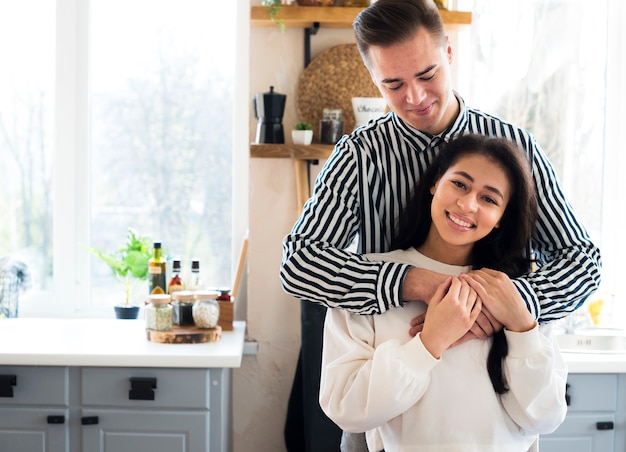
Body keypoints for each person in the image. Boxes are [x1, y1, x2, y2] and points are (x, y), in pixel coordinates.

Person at [280, 0, 601, 450]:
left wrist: (498, 305)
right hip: (385, 396)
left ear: (449, 52)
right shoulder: (358, 157)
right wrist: (422, 284)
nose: (414, 97)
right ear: (372, 76)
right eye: (393, 83)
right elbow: (298, 264)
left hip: (494, 402)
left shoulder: (514, 148)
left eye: (427, 74)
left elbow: (583, 261)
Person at [319, 133, 568, 451]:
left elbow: (545, 418)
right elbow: (345, 408)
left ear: (501, 219)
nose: (467, 204)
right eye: (460, 184)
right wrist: (428, 343)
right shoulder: (368, 279)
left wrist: (521, 325)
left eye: (489, 199)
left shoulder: (519, 291)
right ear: (435, 183)